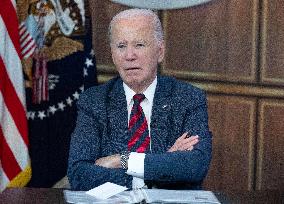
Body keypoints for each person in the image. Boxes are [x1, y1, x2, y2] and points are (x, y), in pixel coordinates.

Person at [67, 8, 212, 191]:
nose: (129, 56)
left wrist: (123, 160)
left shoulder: (188, 98)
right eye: (121, 46)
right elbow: (78, 173)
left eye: (139, 45)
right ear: (112, 54)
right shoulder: (94, 101)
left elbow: (194, 166)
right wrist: (156, 168)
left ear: (160, 52)